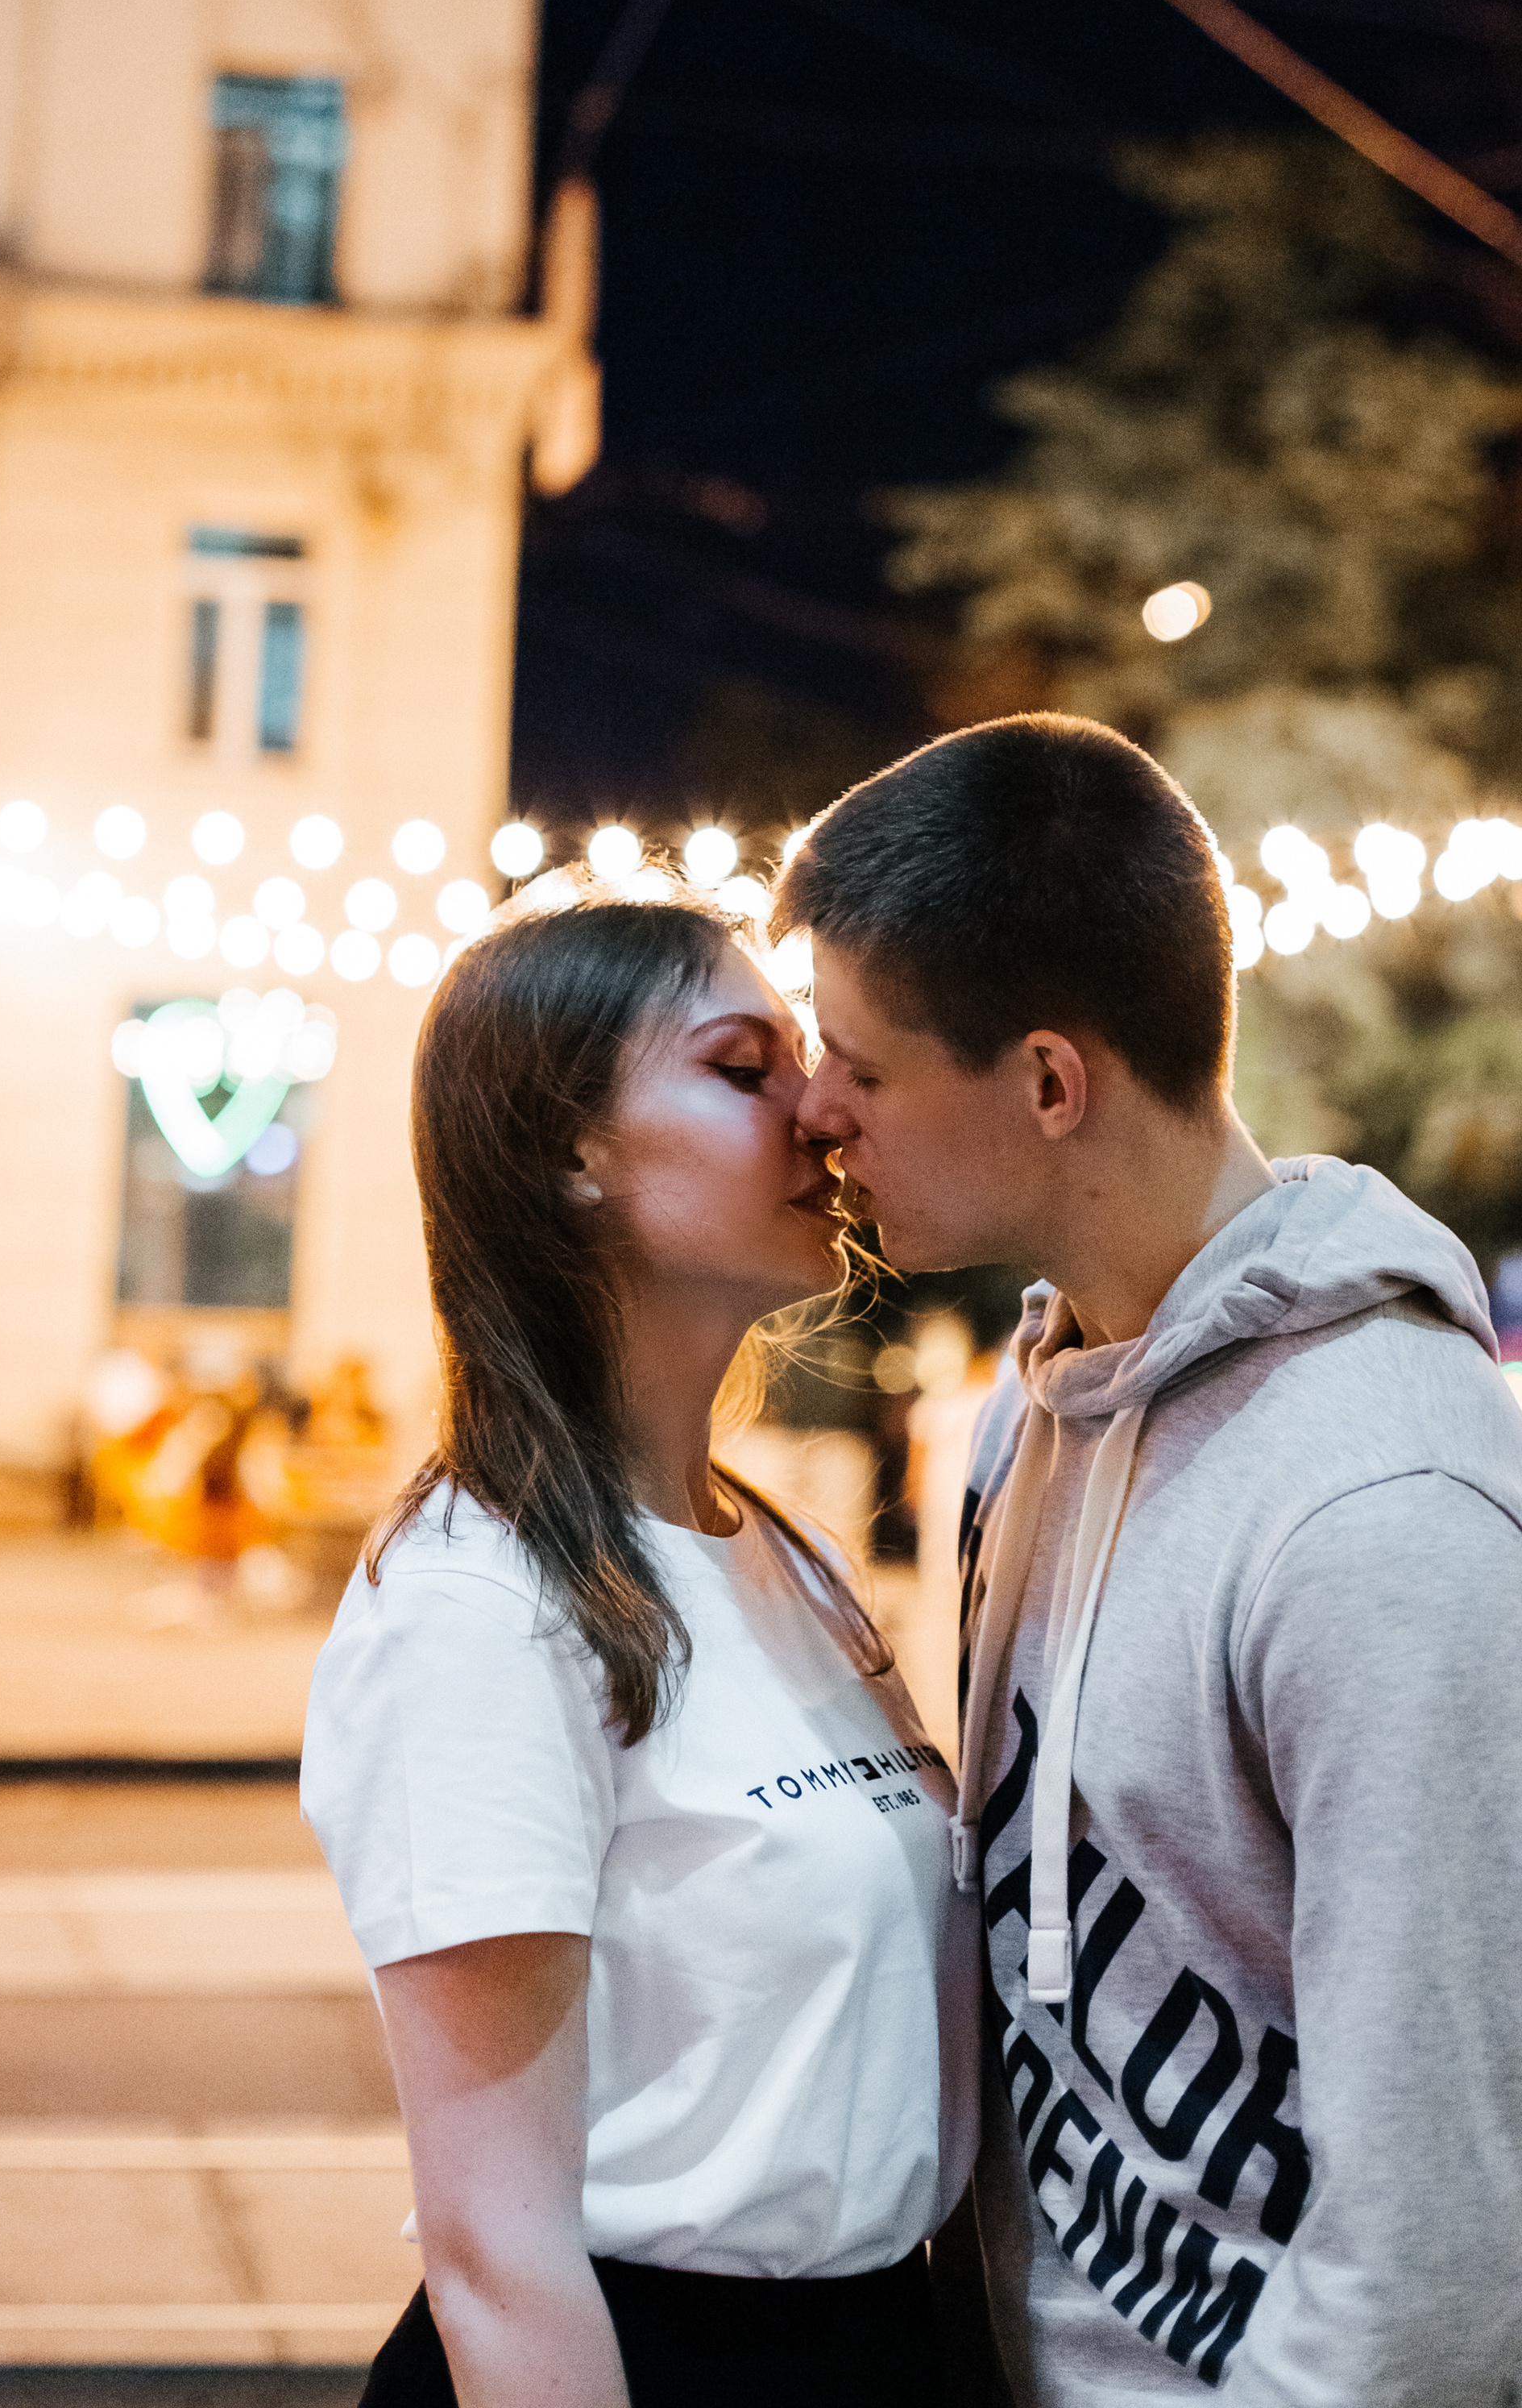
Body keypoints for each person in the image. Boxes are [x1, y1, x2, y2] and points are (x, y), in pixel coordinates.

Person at [775, 713, 1522, 2405]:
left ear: (1049, 1082)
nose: (815, 1114)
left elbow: (1439, 2255)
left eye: (862, 1066)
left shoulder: (1378, 1512)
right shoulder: (1032, 1414)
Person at [301, 892, 976, 2408]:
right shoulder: (482, 1607)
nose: (818, 1111)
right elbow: (497, 2255)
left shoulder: (779, 1550)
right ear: (569, 1155)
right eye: (744, 1070)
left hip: (878, 2345)